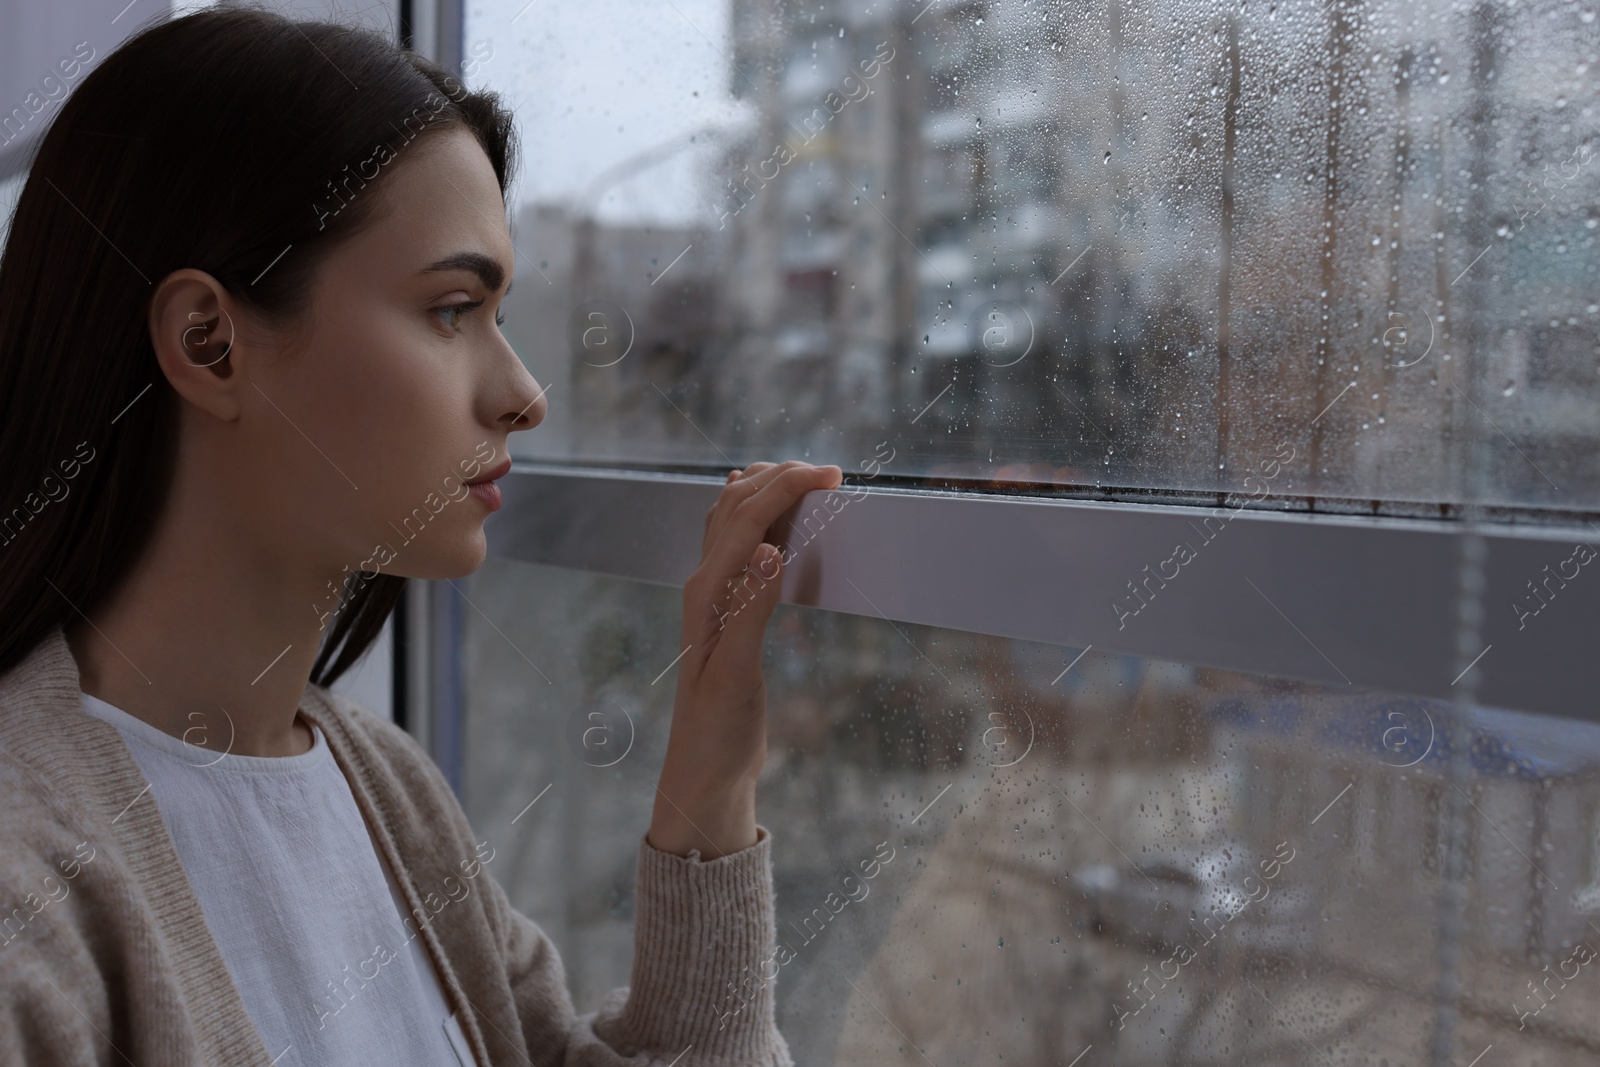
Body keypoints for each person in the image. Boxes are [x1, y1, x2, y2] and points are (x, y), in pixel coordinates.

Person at [0, 8, 839, 1065]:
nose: (525, 392)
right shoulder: (27, 881)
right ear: (209, 345)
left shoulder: (386, 791)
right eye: (452, 308)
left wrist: (709, 790)